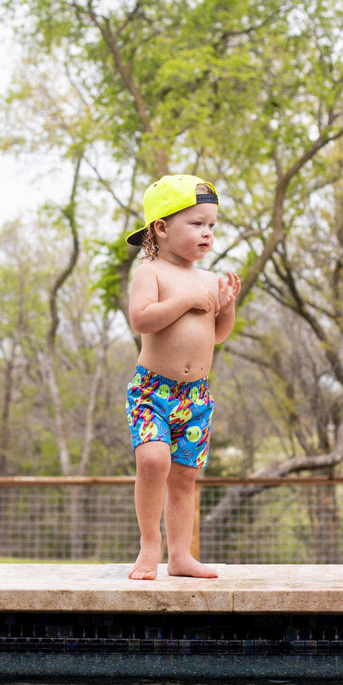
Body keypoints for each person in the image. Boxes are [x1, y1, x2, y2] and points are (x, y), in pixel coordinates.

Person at [126, 174, 241, 580]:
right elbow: (142, 320)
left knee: (185, 475)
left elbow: (217, 336)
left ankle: (180, 555)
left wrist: (224, 309)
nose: (207, 233)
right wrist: (186, 300)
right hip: (153, 392)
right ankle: (148, 548)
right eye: (196, 223)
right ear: (162, 227)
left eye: (211, 225)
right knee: (154, 460)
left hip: (196, 396)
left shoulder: (209, 280)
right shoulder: (151, 272)